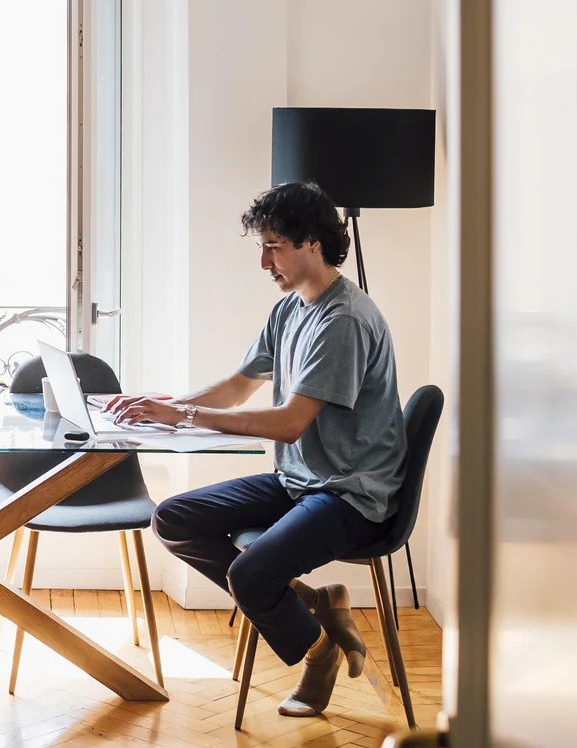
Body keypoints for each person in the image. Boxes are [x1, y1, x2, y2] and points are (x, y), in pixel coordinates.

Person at [106, 182, 406, 717]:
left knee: (250, 575)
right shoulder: (290, 309)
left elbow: (289, 424)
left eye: (274, 247)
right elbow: (237, 387)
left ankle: (319, 652)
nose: (264, 262)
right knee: (173, 519)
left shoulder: (343, 321)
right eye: (262, 247)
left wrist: (185, 416)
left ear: (313, 242)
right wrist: (163, 406)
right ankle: (316, 605)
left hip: (350, 496)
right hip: (300, 481)